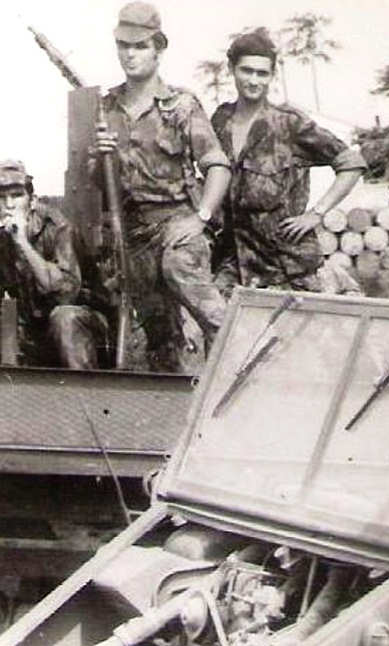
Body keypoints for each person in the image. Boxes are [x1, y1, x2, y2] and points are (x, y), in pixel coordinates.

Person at [94, 1, 231, 372]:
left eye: (140, 46)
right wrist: (101, 158)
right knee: (161, 341)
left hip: (176, 226)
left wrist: (201, 217)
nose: (130, 54)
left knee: (211, 313)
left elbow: (218, 167)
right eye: (124, 45)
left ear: (158, 49)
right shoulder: (105, 109)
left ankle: (240, 377)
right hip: (133, 236)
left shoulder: (180, 106)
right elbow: (98, 188)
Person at [210, 29, 366, 295]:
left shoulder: (289, 122)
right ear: (231, 69)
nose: (254, 81)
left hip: (286, 264)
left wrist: (316, 214)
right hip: (235, 261)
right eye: (246, 71)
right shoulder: (220, 120)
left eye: (262, 73)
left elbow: (351, 163)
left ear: (272, 76)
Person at [0, 160, 106, 368]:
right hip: (31, 331)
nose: (9, 205)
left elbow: (65, 294)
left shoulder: (58, 228)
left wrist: (22, 243)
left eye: (17, 195)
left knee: (64, 318)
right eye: (1, 198)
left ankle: (82, 388)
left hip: (84, 328)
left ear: (32, 201)